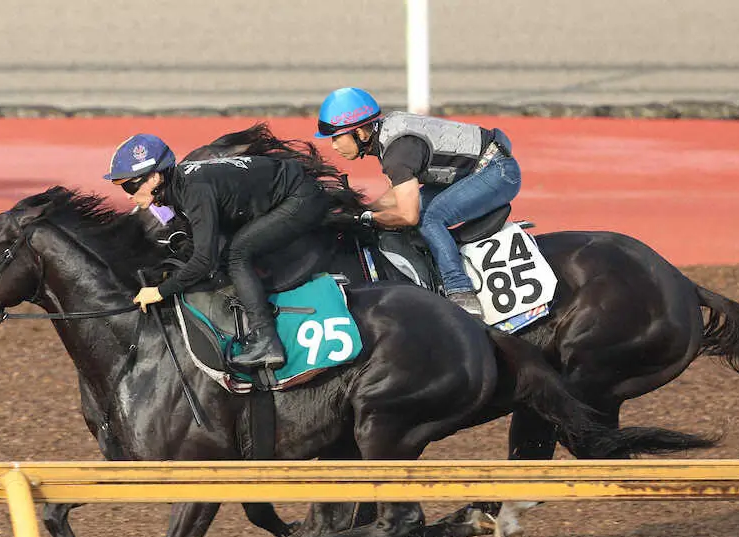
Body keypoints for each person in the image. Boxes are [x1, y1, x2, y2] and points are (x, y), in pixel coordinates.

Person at [104, 133, 328, 372]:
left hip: (301, 198)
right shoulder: (180, 187)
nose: (127, 195)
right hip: (285, 193)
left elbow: (204, 260)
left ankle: (266, 340)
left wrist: (161, 292)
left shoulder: (194, 191)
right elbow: (197, 242)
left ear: (154, 177)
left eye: (129, 185)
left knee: (237, 254)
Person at [314, 87, 522, 318]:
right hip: (479, 169)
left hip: (498, 172)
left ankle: (461, 292)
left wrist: (365, 217)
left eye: (336, 136)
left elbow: (408, 215)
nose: (333, 145)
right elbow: (397, 195)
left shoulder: (397, 154)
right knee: (419, 213)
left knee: (431, 219)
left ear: (361, 133)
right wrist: (363, 208)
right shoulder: (389, 132)